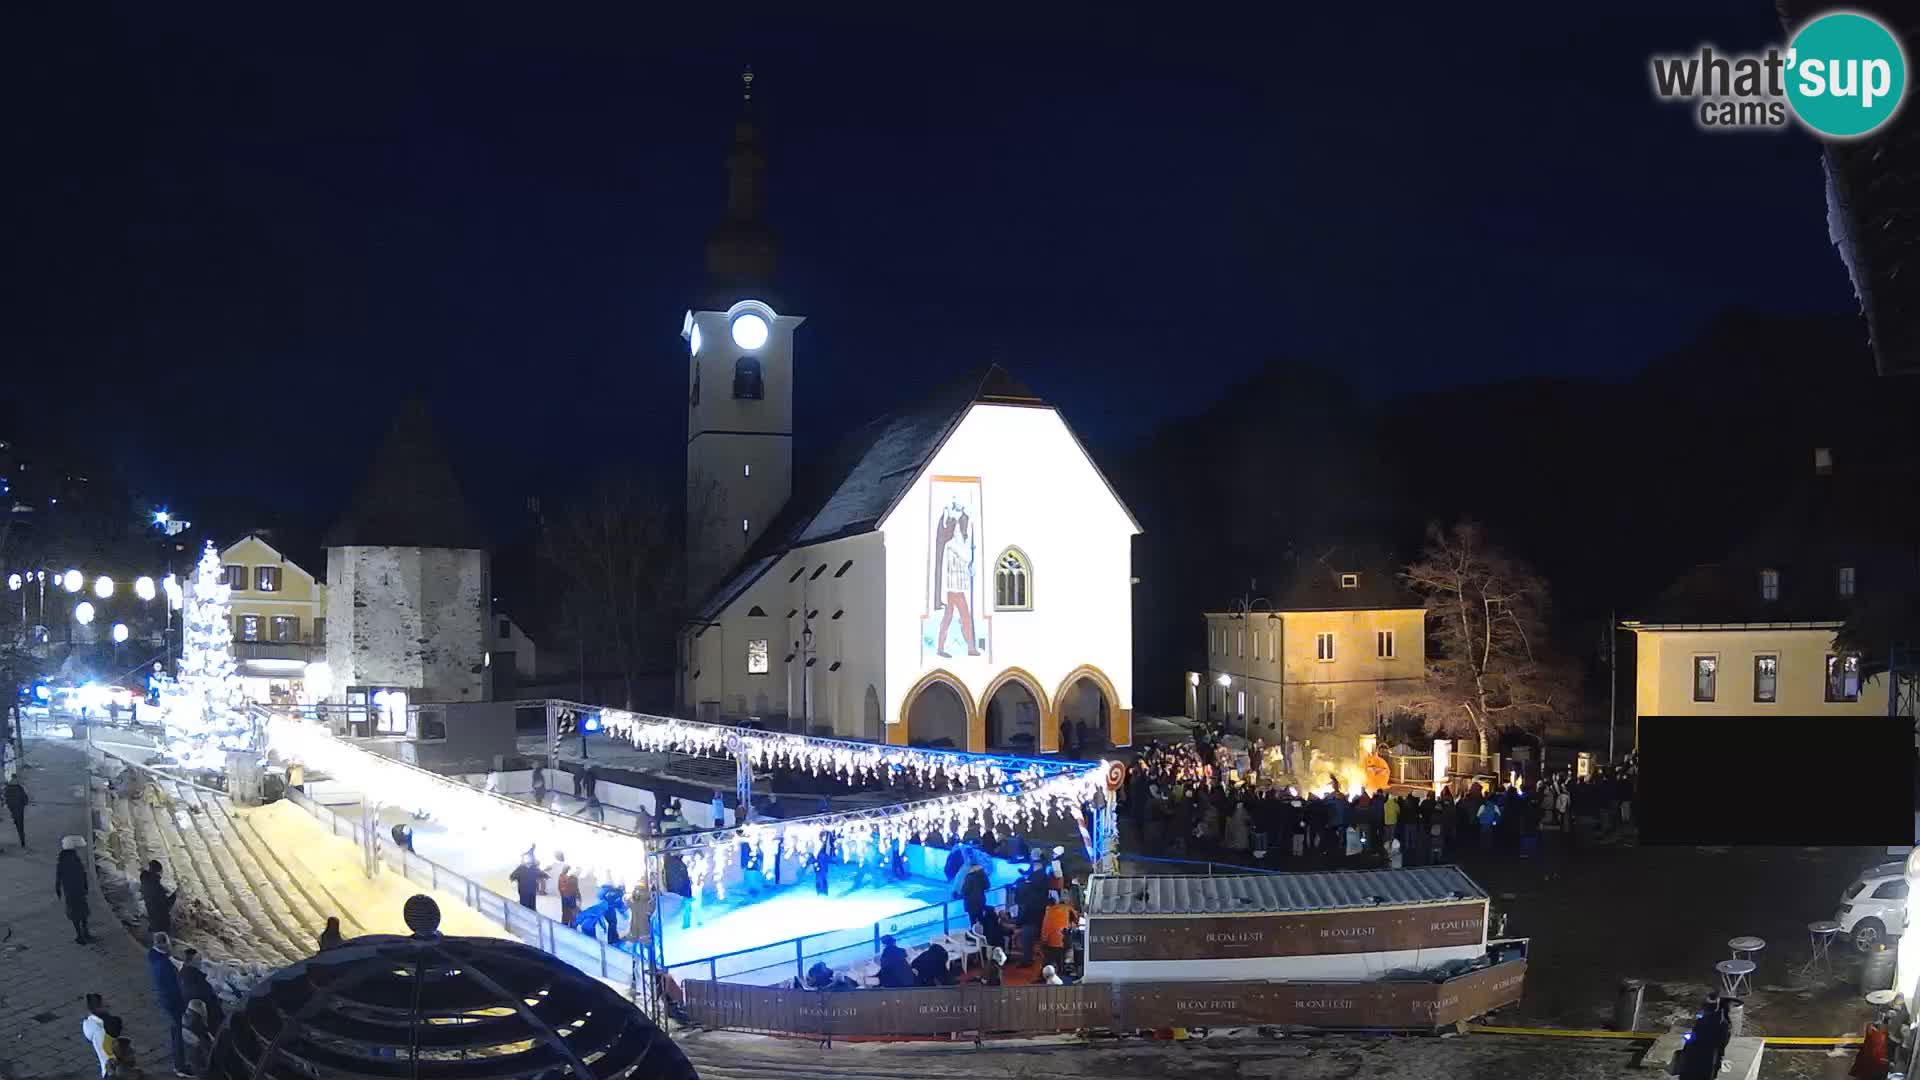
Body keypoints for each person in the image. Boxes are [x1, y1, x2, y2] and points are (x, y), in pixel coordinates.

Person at [146, 934, 189, 1078]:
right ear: (164, 944)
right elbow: (173, 988)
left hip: (167, 1000)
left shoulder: (156, 957)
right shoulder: (163, 965)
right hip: (173, 1003)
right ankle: (180, 1066)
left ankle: (179, 1062)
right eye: (169, 943)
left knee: (175, 1030)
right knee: (178, 1033)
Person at [56, 835, 93, 943]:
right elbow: (83, 873)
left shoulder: (62, 861)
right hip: (79, 890)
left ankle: (80, 935)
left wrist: (58, 889)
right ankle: (85, 932)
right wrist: (85, 886)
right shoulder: (75, 859)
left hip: (69, 891)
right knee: (83, 911)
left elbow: (58, 876)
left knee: (74, 913)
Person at [176, 950, 223, 1034]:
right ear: (192, 961)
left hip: (194, 1014)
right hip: (207, 1016)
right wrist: (215, 991)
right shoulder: (195, 977)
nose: (201, 961)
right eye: (199, 959)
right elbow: (206, 996)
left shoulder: (182, 973)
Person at [140, 861, 177, 938]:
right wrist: (175, 895)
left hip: (152, 916)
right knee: (162, 941)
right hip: (161, 922)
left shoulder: (146, 881)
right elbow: (166, 905)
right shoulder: (156, 887)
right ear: (158, 872)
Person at [1040, 892, 1075, 972]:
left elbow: (1045, 928)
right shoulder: (1067, 908)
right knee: (1066, 954)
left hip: (1051, 942)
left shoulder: (1048, 911)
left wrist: (1044, 941)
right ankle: (1066, 969)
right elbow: (1076, 918)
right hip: (1063, 940)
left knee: (1050, 959)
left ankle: (1048, 972)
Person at [181, 1000, 213, 1078]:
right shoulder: (200, 1031)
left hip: (195, 1064)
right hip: (205, 1069)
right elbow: (209, 1053)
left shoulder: (186, 1021)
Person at [83, 994, 112, 1076]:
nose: (108, 1006)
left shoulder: (89, 1023)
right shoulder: (100, 1031)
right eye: (104, 1005)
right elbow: (108, 1056)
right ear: (98, 1008)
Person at [556, 859, 582, 925]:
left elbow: (560, 887)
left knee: (565, 913)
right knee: (572, 913)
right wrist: (579, 897)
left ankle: (564, 925)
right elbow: (575, 890)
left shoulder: (561, 876)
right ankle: (572, 927)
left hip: (564, 896)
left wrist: (562, 894)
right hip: (570, 897)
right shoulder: (572, 879)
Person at [4, 775, 27, 848]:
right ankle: (22, 840)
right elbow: (25, 798)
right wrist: (24, 803)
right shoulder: (20, 788)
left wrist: (9, 805)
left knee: (17, 821)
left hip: (13, 808)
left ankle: (15, 819)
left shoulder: (8, 788)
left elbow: (6, 798)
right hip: (19, 808)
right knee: (20, 825)